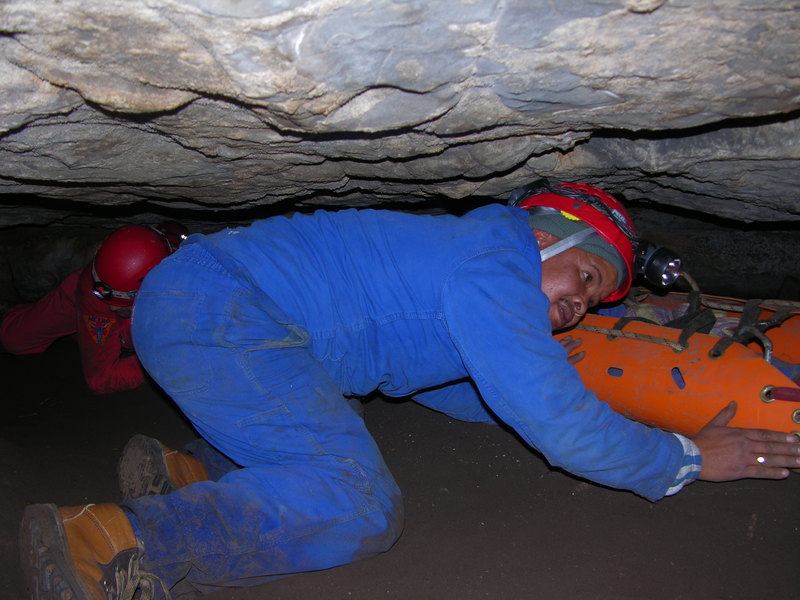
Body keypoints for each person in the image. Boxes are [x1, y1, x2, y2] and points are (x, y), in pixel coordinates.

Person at [20, 181, 800, 598]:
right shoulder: (494, 262)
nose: (577, 307)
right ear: (547, 234)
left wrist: (609, 397)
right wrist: (682, 458)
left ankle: (189, 471)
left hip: (213, 306)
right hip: (221, 306)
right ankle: (116, 539)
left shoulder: (470, 269)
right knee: (359, 503)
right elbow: (551, 419)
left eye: (592, 304)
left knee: (330, 415)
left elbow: (474, 389)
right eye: (585, 279)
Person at [0, 223, 181, 394]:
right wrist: (164, 363)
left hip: (136, 305)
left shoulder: (181, 284)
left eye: (122, 299)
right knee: (14, 339)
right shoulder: (96, 290)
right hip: (83, 300)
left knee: (136, 337)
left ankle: (94, 333)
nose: (112, 305)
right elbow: (101, 379)